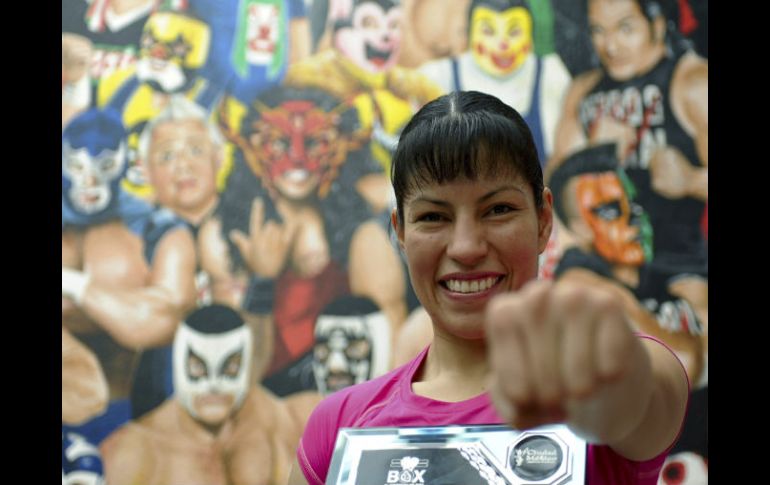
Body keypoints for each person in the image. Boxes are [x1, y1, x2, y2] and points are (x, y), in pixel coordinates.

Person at [288, 91, 688, 484]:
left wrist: (611, 373)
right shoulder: (339, 424)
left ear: (544, 220)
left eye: (498, 210)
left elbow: (644, 396)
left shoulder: (606, 374)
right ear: (401, 233)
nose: (465, 247)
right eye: (432, 217)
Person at [548, 0, 707, 277]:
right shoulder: (582, 91)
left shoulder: (692, 82)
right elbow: (551, 193)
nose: (610, 45)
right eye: (599, 30)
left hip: (679, 267)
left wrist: (693, 180)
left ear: (656, 26)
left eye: (625, 28)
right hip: (603, 269)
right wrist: (592, 154)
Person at [100, 304, 301, 485]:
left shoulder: (289, 425)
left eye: (229, 368)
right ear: (179, 363)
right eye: (198, 368)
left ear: (245, 365)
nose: (213, 386)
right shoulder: (135, 452)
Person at [418, 0, 572, 166]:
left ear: (530, 36)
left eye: (514, 32)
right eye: (488, 31)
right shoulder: (439, 76)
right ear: (469, 34)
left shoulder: (550, 74)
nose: (502, 44)